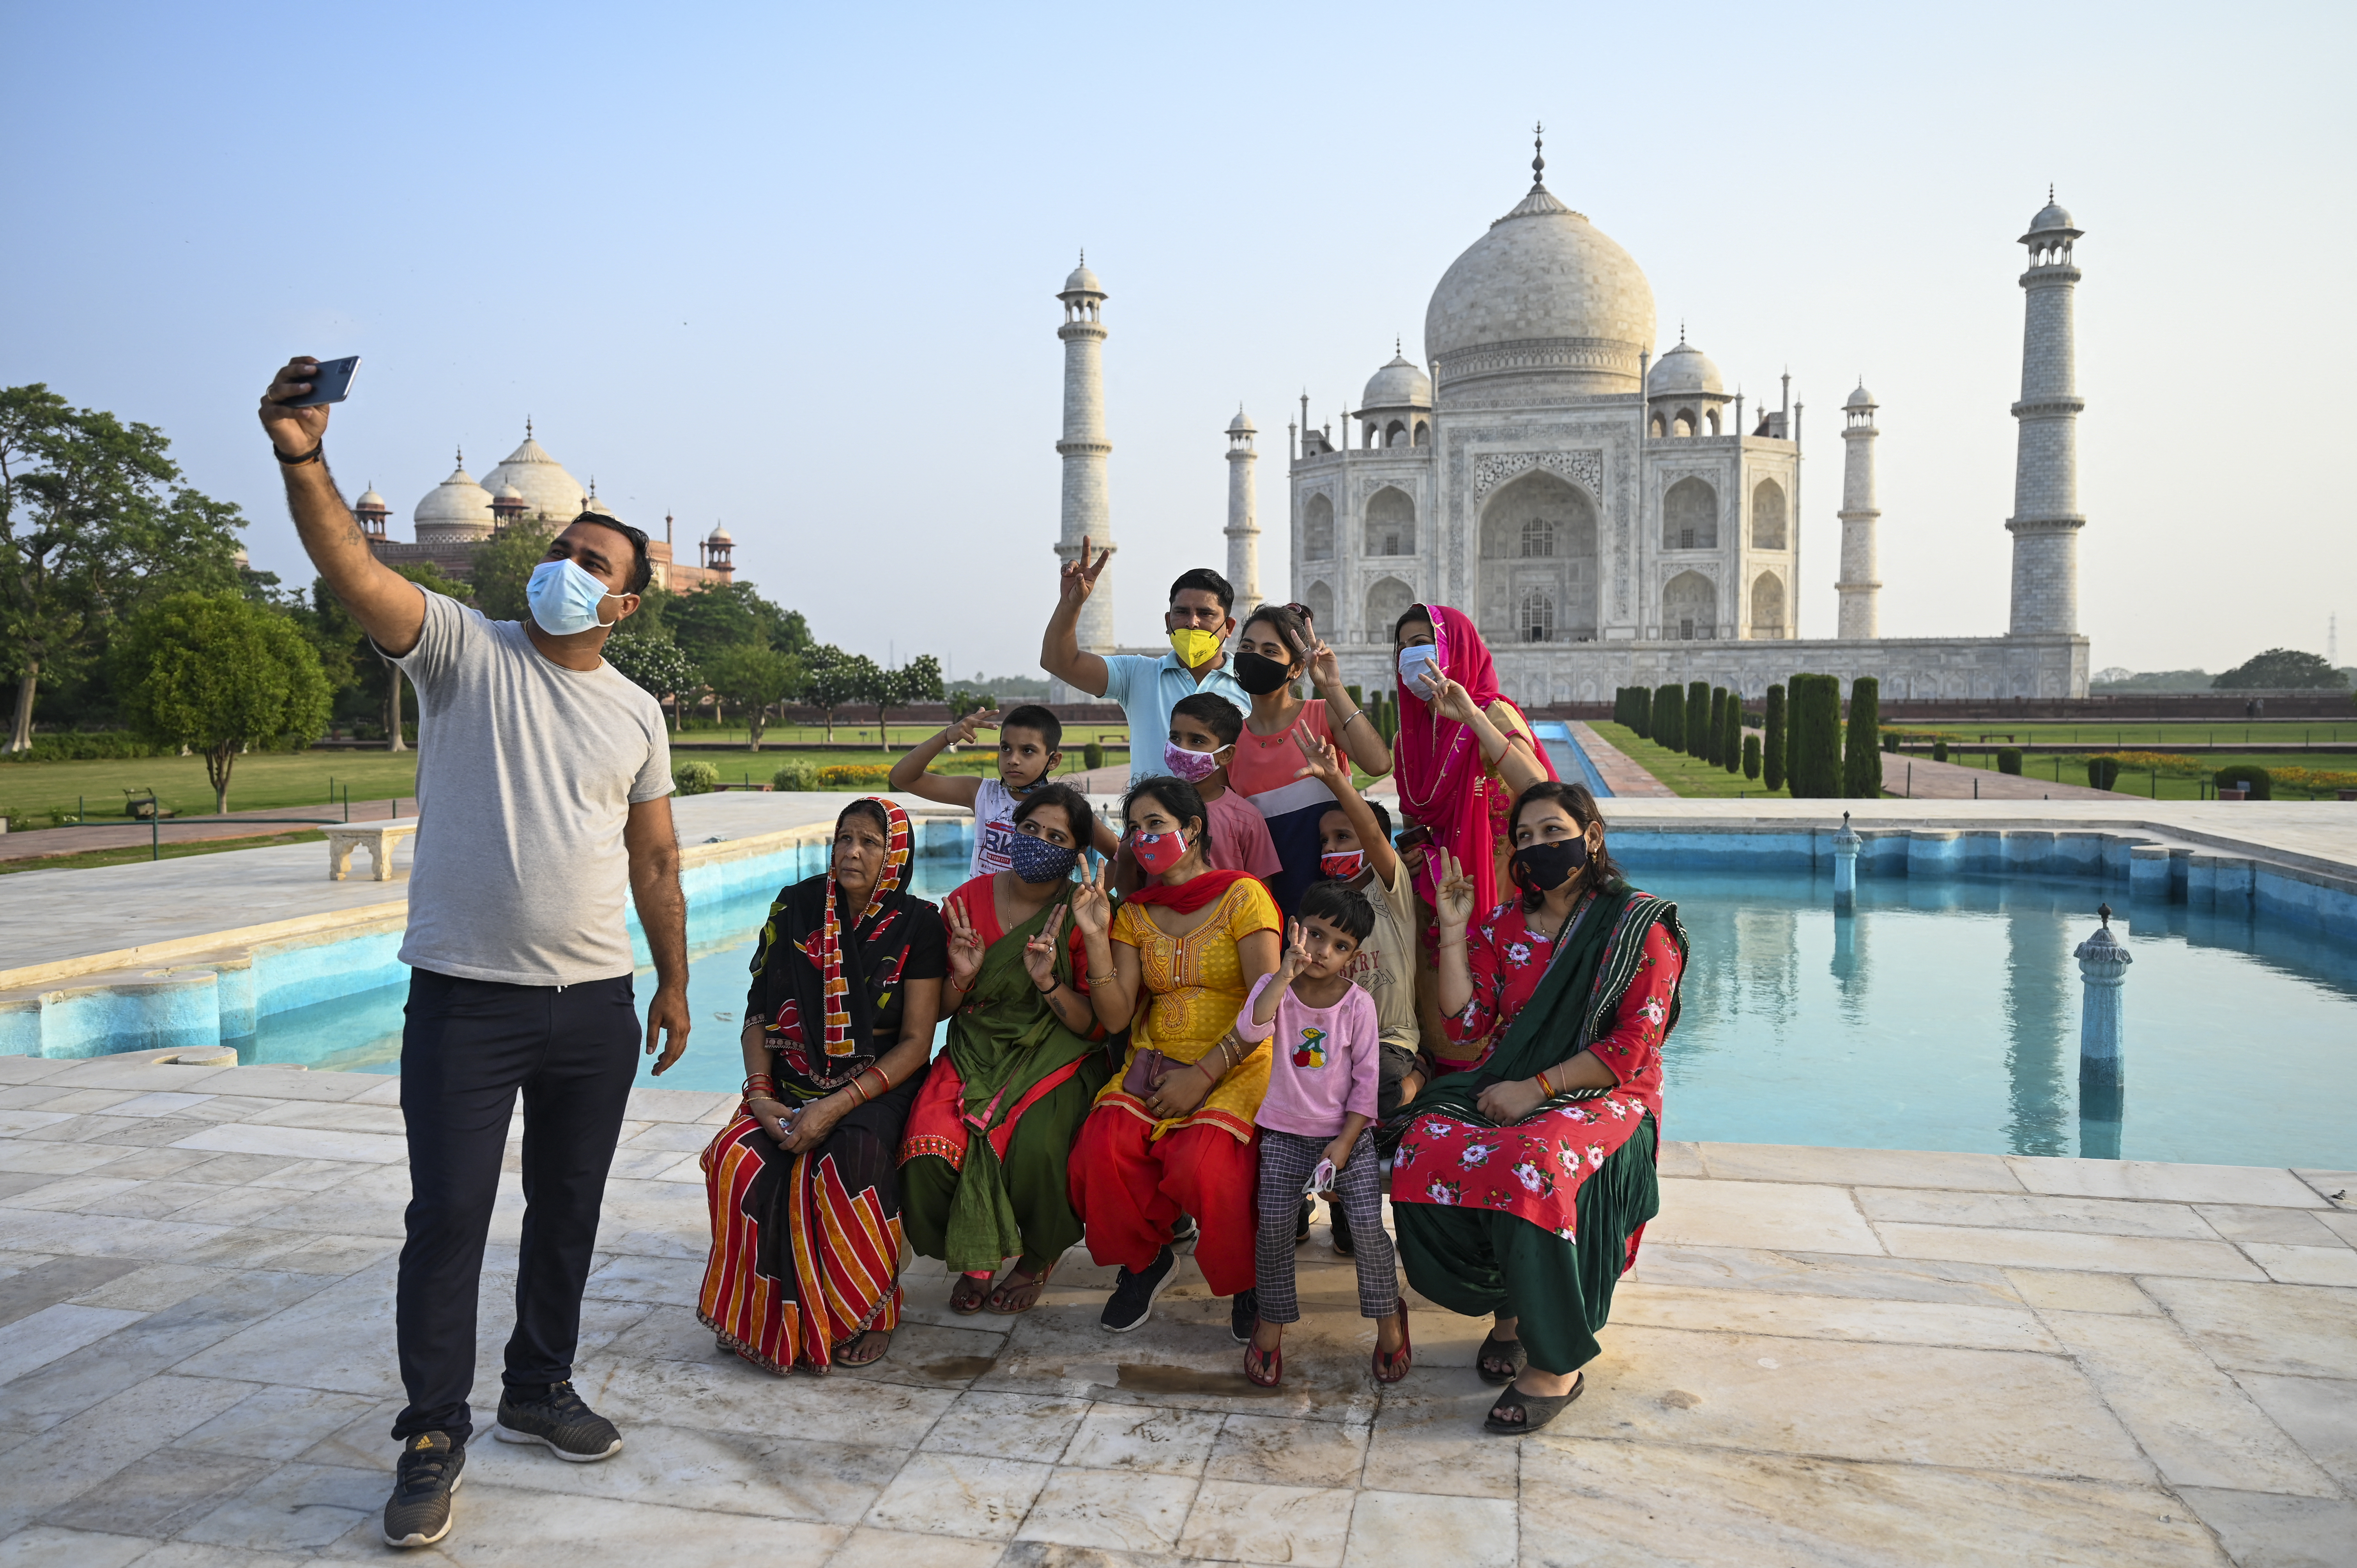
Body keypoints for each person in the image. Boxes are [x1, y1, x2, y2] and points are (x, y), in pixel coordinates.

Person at [258, 358, 690, 1552]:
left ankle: (538, 1385)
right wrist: (304, 454)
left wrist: (677, 979)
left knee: (566, 1209)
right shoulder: (463, 648)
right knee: (448, 1215)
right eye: (565, 550)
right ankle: (433, 1434)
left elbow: (655, 858)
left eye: (594, 562)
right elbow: (352, 568)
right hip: (465, 1001)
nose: (567, 570)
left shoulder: (638, 711)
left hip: (590, 1004)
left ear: (626, 603)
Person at [1388, 781, 1687, 1436]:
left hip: (1608, 1093)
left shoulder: (1638, 926)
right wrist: (1456, 930)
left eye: (1553, 832)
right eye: (1524, 838)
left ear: (1591, 836)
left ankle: (1555, 1364)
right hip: (1507, 1079)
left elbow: (1634, 1045)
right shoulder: (1503, 926)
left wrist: (1537, 1091)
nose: (1539, 847)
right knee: (1423, 1143)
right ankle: (1508, 1305)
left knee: (1531, 1160)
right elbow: (1465, 1025)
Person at [699, 797, 944, 1376]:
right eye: (844, 839)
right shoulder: (796, 907)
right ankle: (755, 1310)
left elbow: (916, 1041)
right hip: (788, 1077)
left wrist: (834, 1107)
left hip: (877, 1083)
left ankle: (865, 1312)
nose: (852, 852)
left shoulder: (919, 923)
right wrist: (760, 1097)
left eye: (869, 842)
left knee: (847, 1160)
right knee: (737, 1159)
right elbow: (759, 1012)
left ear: (897, 855)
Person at [1067, 777, 1281, 1339]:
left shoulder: (1243, 896)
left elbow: (1268, 1003)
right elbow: (1115, 1017)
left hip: (1239, 1058)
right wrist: (1094, 937)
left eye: (1154, 824)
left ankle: (1246, 1281)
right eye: (1134, 828)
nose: (1141, 838)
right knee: (1103, 1148)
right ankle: (1145, 1263)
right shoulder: (1136, 913)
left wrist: (1204, 1074)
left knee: (1205, 1163)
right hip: (1154, 1058)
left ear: (1191, 829)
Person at [900, 783, 1110, 1314]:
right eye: (1030, 829)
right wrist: (965, 976)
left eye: (1056, 836)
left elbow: (1095, 1027)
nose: (1038, 841)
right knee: (927, 1150)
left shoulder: (1081, 913)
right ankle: (975, 1255)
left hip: (1054, 1052)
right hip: (974, 1047)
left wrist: (1045, 983)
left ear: (1076, 853)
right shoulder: (965, 902)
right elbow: (941, 1009)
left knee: (1034, 1148)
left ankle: (1036, 1256)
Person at [1237, 888, 1410, 1388]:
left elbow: (1366, 1080)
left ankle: (1387, 1319)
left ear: (1351, 957)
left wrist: (1343, 1141)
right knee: (1272, 1225)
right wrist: (1283, 975)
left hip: (1345, 1137)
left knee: (1363, 1226)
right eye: (1314, 934)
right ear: (1295, 929)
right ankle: (1271, 1321)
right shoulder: (1275, 988)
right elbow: (1251, 1031)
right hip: (1284, 1134)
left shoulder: (1357, 1004)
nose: (1321, 950)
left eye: (1338, 945)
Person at [1287, 729, 1432, 1252]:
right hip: (1329, 1040)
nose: (1332, 847)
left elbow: (1374, 835)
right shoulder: (1317, 907)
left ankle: (1420, 1077)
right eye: (1325, 840)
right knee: (1309, 1098)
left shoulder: (1389, 895)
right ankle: (1324, 1204)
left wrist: (1335, 780)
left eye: (1344, 836)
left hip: (1391, 1039)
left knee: (1380, 1090)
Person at [1391, 603, 1553, 1055]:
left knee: (1507, 1025)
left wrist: (1473, 719)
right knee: (1443, 1026)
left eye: (1421, 642)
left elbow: (1540, 790)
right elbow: (1416, 823)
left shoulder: (1494, 715)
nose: (1409, 653)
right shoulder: (1407, 739)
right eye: (1401, 646)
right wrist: (1412, 853)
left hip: (1505, 895)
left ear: (1454, 647)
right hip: (1441, 898)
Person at [1223, 603, 1393, 915]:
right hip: (1270, 901)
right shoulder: (1231, 742)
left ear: (1295, 668)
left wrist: (1332, 687)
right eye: (1247, 647)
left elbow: (1378, 764)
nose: (1255, 657)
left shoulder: (1320, 716)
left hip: (1336, 901)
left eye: (1270, 651)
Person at [1040, 540, 1249, 785]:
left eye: (1206, 614)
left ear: (1229, 628)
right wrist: (1070, 604)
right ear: (1168, 621)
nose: (1192, 623)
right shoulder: (1138, 674)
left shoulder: (1251, 684)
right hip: (1149, 822)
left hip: (1229, 822)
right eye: (1182, 612)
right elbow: (1059, 661)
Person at [888, 702, 1116, 873]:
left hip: (1039, 932)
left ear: (1053, 760)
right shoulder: (981, 794)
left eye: (1028, 751)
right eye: (1006, 748)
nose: (1013, 759)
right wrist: (948, 735)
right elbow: (903, 778)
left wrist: (1092, 899)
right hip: (979, 923)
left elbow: (1119, 854)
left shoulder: (1065, 807)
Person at [1166, 692, 1281, 883]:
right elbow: (1129, 870)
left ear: (1226, 754)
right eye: (1175, 737)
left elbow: (1262, 891)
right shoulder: (1151, 804)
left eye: (1196, 741)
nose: (1181, 749)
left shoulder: (1246, 818)